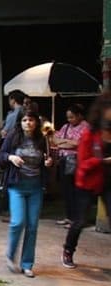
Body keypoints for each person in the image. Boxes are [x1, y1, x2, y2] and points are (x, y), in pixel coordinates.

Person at [0, 110, 54, 278]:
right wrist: (11, 157)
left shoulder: (42, 139)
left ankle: (27, 264)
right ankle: (10, 255)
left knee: (32, 226)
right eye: (24, 120)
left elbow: (49, 159)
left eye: (31, 120)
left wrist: (49, 162)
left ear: (36, 122)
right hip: (17, 186)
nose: (28, 123)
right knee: (17, 222)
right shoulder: (13, 136)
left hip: (36, 187)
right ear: (20, 122)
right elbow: (1, 157)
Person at [62, 93, 111, 268]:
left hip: (107, 181)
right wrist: (102, 161)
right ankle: (68, 250)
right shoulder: (89, 134)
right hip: (87, 182)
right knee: (80, 221)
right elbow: (82, 163)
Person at [52, 104, 89, 227]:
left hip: (76, 161)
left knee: (75, 190)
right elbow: (55, 140)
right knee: (66, 190)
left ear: (79, 115)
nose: (69, 120)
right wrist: (68, 142)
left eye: (72, 117)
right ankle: (69, 217)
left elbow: (79, 144)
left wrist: (64, 142)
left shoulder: (85, 127)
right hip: (64, 160)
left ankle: (76, 219)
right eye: (68, 117)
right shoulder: (66, 126)